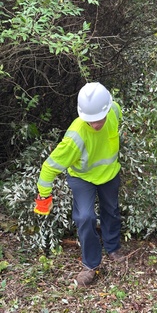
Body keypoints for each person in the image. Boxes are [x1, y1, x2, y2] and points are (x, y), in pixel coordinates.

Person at [34, 82, 124, 286]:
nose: (95, 124)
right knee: (85, 217)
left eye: (99, 119)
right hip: (82, 178)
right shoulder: (75, 136)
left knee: (111, 210)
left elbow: (118, 115)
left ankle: (113, 248)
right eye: (90, 120)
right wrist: (44, 195)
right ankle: (91, 264)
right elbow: (49, 167)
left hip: (109, 175)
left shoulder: (114, 111)